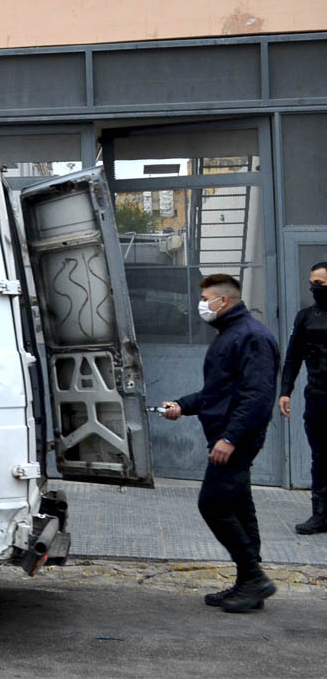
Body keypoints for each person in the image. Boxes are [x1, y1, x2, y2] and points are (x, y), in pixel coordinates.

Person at [161, 273, 280, 613]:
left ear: (222, 301)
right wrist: (182, 405)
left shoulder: (251, 337)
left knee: (212, 504)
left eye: (205, 299)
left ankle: (254, 578)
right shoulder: (231, 334)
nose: (201, 305)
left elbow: (257, 397)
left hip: (235, 439)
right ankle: (249, 585)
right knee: (239, 506)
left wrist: (230, 438)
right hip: (228, 435)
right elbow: (217, 393)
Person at [278, 261, 327, 535]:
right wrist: (286, 391)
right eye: (312, 284)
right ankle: (320, 514)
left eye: (319, 284)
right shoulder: (306, 317)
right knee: (320, 456)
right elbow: (293, 356)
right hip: (318, 396)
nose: (313, 289)